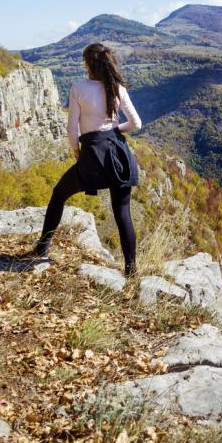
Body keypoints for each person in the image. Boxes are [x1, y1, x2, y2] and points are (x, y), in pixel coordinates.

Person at [32, 43, 142, 275]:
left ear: (87, 64)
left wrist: (78, 153)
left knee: (59, 194)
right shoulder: (117, 88)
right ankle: (131, 272)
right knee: (123, 213)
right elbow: (136, 124)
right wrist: (113, 132)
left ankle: (42, 247)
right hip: (120, 154)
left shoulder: (78, 88)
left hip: (93, 155)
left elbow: (72, 130)